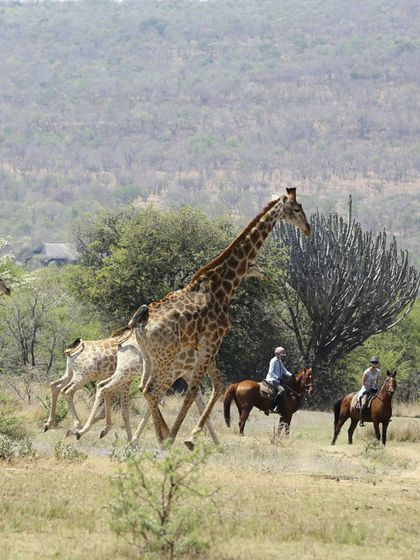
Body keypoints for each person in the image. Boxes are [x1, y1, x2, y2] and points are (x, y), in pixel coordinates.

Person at [265, 346, 293, 413]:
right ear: (277, 354)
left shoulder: (280, 361)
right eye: (281, 355)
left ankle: (279, 408)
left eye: (283, 355)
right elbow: (270, 372)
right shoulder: (273, 361)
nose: (282, 357)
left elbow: (284, 371)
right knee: (282, 390)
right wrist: (278, 378)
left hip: (277, 380)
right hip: (271, 379)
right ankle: (272, 407)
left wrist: (292, 375)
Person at [356, 357, 381, 426]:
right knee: (364, 404)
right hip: (366, 389)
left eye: (376, 362)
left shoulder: (378, 371)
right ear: (371, 363)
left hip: (374, 389)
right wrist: (368, 388)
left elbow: (378, 381)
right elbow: (363, 382)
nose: (374, 364)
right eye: (373, 362)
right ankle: (361, 420)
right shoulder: (367, 371)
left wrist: (378, 388)